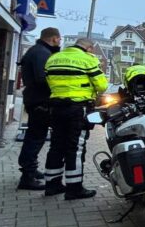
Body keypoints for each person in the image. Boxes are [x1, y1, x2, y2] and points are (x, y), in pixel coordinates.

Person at [43, 37, 108, 199]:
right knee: (76, 147)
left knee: (56, 145)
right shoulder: (87, 60)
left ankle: (52, 184)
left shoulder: (53, 59)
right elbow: (102, 85)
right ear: (89, 48)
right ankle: (74, 188)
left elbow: (47, 81)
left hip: (56, 107)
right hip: (78, 108)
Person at [17, 27, 62, 190]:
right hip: (39, 102)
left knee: (35, 136)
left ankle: (31, 169)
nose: (59, 42)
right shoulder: (42, 53)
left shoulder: (37, 51)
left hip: (34, 99)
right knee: (35, 138)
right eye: (59, 39)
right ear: (54, 38)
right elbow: (43, 78)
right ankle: (27, 177)